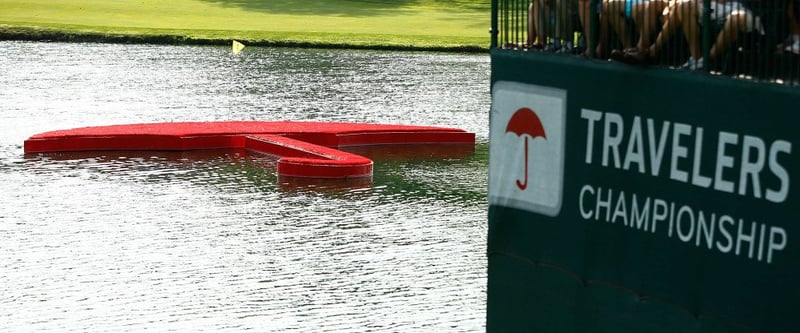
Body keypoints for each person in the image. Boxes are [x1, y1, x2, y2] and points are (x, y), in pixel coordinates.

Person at [621, 0, 764, 70]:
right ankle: (695, 58)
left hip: (741, 9)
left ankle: (705, 61)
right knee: (684, 5)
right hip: (712, 7)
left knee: (735, 19)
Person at [597, 0, 670, 57]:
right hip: (631, 2)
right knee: (607, 5)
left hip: (652, 4)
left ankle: (640, 50)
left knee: (647, 6)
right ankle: (627, 49)